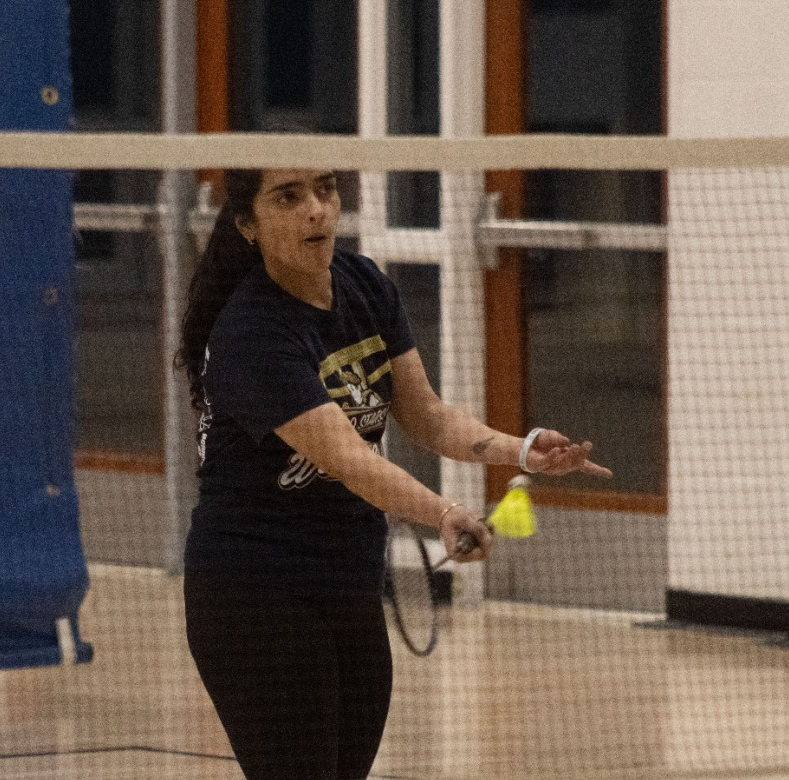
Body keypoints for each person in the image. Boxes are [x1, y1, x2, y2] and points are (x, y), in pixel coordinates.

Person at [176, 166, 611, 780]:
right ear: (248, 225)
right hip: (254, 592)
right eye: (288, 197)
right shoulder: (254, 334)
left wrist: (522, 449)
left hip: (348, 581)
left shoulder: (363, 285)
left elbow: (426, 415)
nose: (317, 211)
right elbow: (350, 458)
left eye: (325, 190)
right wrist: (444, 513)